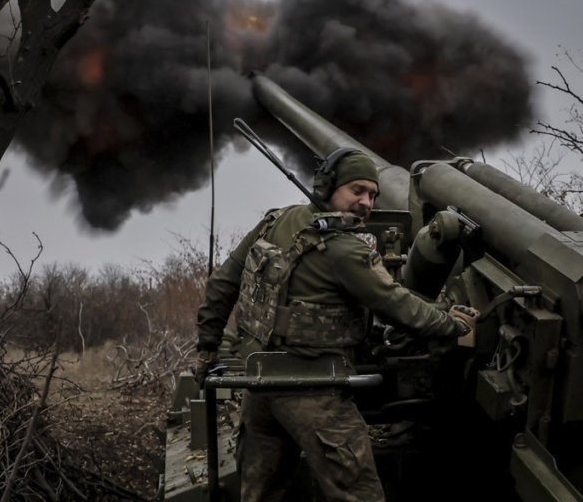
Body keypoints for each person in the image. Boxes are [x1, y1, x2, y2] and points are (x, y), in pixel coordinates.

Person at [195, 148, 477, 502]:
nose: (366, 202)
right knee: (360, 495)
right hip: (316, 393)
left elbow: (223, 283)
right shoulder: (345, 250)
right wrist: (451, 324)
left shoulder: (273, 222)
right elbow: (398, 306)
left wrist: (207, 347)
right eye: (357, 190)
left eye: (372, 194)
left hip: (259, 387)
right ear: (327, 187)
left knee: (261, 494)